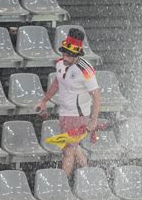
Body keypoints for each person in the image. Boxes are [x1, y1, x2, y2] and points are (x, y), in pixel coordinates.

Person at [35, 28, 101, 177]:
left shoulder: (85, 70)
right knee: (73, 148)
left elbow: (96, 96)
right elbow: (57, 84)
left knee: (67, 151)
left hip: (77, 116)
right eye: (63, 52)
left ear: (76, 54)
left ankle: (62, 183)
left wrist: (93, 120)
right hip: (63, 114)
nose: (64, 57)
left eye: (68, 55)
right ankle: (88, 174)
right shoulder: (60, 63)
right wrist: (44, 101)